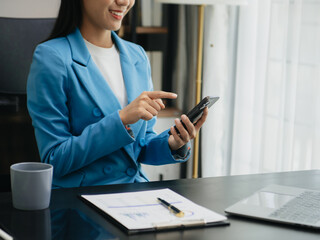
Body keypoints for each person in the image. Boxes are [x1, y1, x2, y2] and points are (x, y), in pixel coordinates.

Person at [27, 0, 208, 188]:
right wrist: (121, 120)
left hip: (133, 193)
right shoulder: (51, 57)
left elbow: (140, 146)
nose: (124, 2)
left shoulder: (137, 55)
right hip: (82, 198)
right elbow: (55, 160)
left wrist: (173, 143)